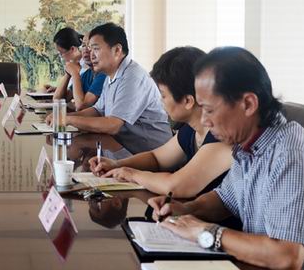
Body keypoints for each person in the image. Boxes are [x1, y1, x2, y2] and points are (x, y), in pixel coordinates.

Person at [150, 47, 304, 270]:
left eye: (209, 110)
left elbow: (287, 257)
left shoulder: (291, 155)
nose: (204, 121)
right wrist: (184, 209)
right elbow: (224, 200)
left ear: (248, 104)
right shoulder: (248, 145)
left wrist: (206, 232)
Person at [88, 46, 232, 198]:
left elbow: (175, 186)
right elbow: (156, 158)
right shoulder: (191, 130)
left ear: (188, 101)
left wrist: (131, 174)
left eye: (163, 95)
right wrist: (117, 164)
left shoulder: (221, 138)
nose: (160, 100)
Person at [56, 23, 171, 155]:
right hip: (126, 150)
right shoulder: (110, 75)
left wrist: (67, 120)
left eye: (96, 49)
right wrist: (63, 116)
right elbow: (97, 110)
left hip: (154, 155)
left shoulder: (132, 77)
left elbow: (112, 125)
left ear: (117, 50)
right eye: (89, 49)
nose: (91, 55)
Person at [51, 29, 105, 110]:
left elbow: (81, 106)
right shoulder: (87, 74)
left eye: (91, 46)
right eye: (83, 45)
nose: (85, 50)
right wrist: (68, 74)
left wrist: (75, 74)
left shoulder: (103, 75)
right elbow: (57, 100)